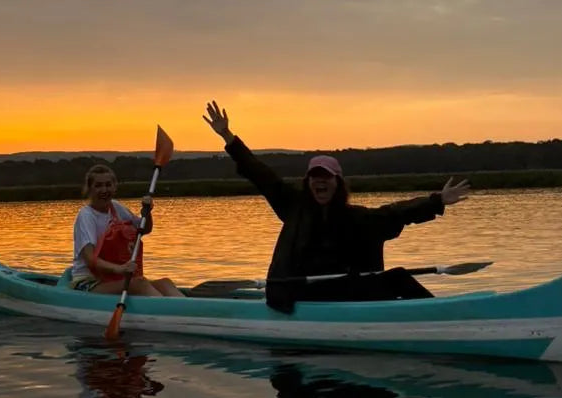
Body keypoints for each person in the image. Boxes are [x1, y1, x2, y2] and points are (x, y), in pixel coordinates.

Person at [201, 101, 472, 310]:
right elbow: (260, 173)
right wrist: (227, 136)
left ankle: (438, 316)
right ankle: (434, 319)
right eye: (315, 177)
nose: (320, 182)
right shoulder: (293, 207)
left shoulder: (355, 218)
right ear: (308, 182)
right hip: (297, 294)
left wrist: (437, 200)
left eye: (326, 177)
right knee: (395, 279)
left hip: (340, 292)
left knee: (398, 278)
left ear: (337, 183)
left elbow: (396, 213)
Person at [70, 163, 183, 297]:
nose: (104, 190)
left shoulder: (116, 207)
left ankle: (187, 307)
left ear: (114, 187)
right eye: (98, 186)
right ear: (90, 189)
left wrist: (147, 212)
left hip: (112, 278)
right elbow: (90, 259)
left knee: (165, 283)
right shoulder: (86, 216)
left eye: (108, 185)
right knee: (138, 283)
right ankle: (165, 309)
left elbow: (144, 229)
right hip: (88, 282)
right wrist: (120, 269)